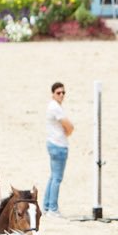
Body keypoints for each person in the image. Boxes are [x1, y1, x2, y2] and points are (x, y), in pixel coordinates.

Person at [44, 82, 73, 216]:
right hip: (58, 144)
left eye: (63, 93)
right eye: (58, 93)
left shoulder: (54, 107)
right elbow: (68, 126)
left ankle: (46, 205)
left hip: (53, 143)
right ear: (53, 94)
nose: (61, 95)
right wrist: (68, 131)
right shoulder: (55, 108)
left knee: (53, 177)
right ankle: (53, 208)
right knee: (57, 178)